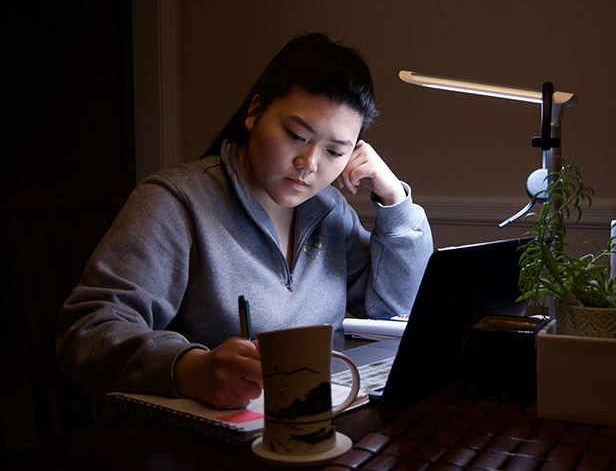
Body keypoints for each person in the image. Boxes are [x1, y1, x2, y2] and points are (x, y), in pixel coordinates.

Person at [55, 33, 433, 409]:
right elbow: (87, 333)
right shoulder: (177, 202)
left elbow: (396, 308)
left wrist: (393, 200)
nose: (309, 164)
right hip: (211, 435)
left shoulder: (329, 210)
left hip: (320, 421)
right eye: (296, 135)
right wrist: (190, 368)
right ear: (254, 112)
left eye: (335, 151)